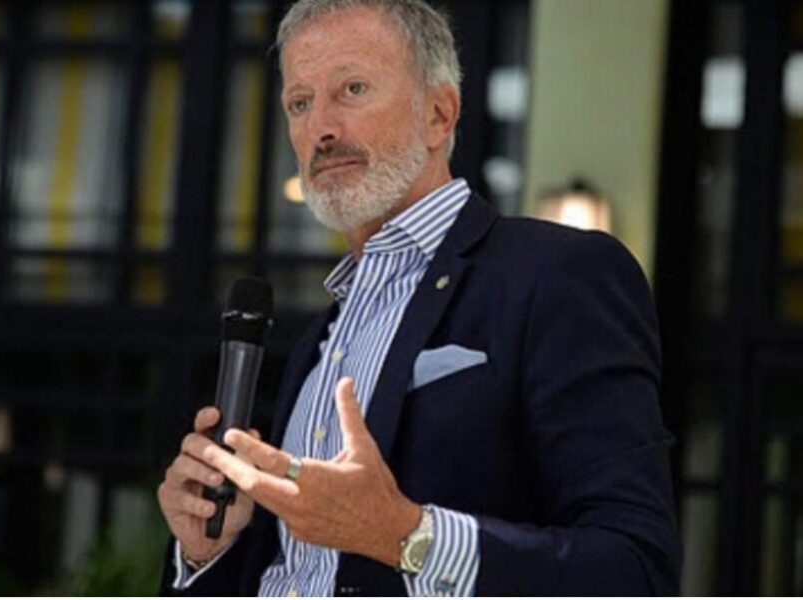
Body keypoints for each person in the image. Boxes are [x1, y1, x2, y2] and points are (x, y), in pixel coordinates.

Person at [156, 0, 681, 595]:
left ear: (439, 114)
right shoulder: (320, 338)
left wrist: (407, 536)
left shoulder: (559, 275)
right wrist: (208, 553)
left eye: (352, 89)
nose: (320, 129)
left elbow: (635, 570)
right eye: (299, 103)